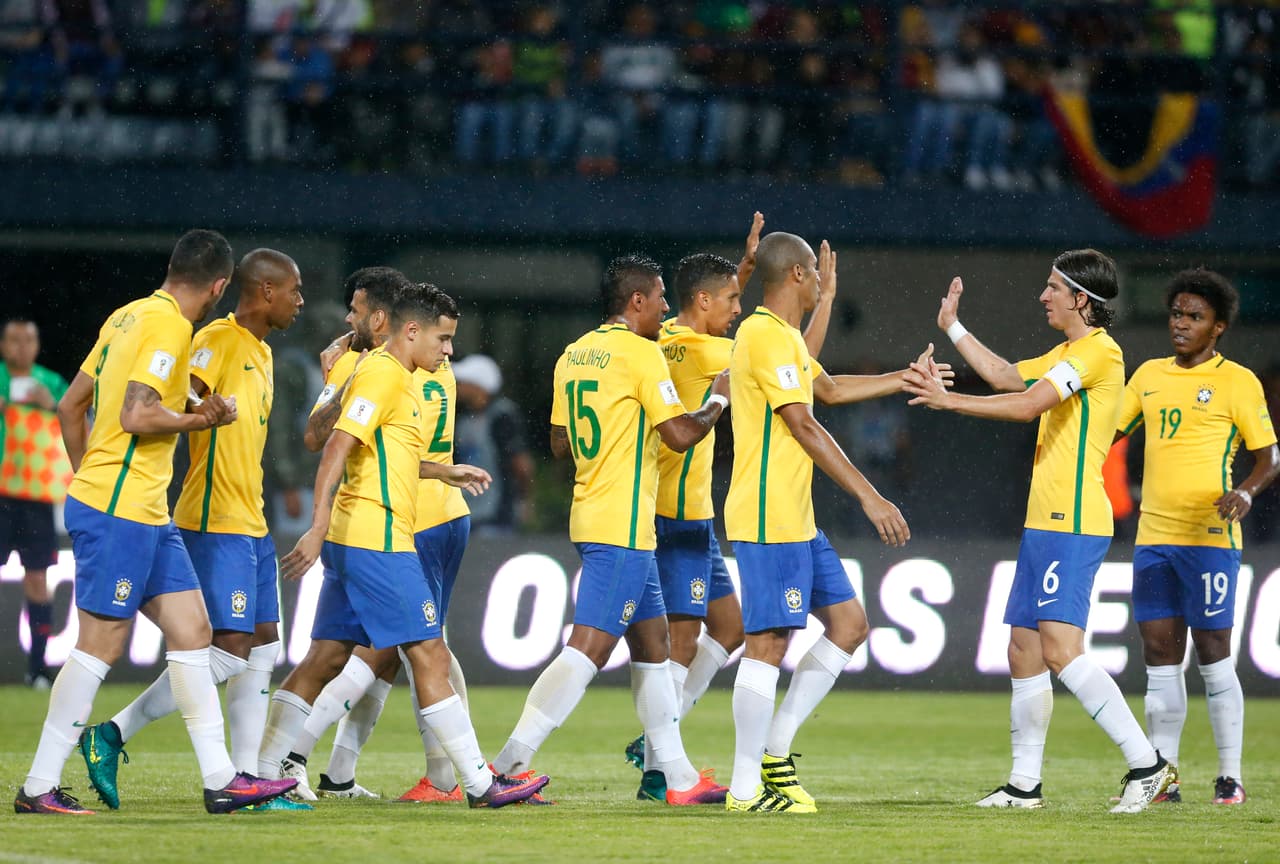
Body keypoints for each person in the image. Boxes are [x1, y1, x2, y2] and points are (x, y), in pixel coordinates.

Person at [14, 230, 297, 815]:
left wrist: (88, 473)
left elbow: (71, 408)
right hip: (121, 510)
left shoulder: (125, 317)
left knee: (194, 632)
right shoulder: (172, 327)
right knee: (102, 644)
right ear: (220, 286)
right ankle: (38, 786)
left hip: (143, 509)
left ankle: (222, 780)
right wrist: (202, 422)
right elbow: (137, 413)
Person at [903, 251, 1174, 814]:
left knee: (1060, 649)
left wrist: (948, 400)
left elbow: (1027, 405)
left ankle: (1148, 767)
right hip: (1044, 522)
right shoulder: (1069, 353)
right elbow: (1006, 374)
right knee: (1023, 648)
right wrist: (952, 326)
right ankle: (1025, 785)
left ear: (1082, 298)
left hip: (1072, 522)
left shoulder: (1100, 352)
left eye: (1054, 287)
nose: (1043, 295)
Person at [271, 282, 546, 809]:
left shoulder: (395, 372)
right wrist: (318, 524)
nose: (449, 353)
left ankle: (269, 772)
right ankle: (474, 783)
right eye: (444, 340)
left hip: (390, 527)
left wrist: (444, 471)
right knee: (423, 650)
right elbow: (328, 445)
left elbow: (380, 451)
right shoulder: (378, 370)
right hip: (380, 535)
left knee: (335, 655)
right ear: (405, 326)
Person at [489, 254, 731, 806]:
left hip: (594, 512)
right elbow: (678, 434)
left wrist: (612, 439)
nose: (668, 307)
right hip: (621, 523)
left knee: (653, 648)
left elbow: (557, 443)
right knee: (590, 648)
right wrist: (716, 397)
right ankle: (506, 766)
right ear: (637, 301)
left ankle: (677, 778)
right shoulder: (642, 356)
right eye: (662, 297)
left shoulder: (573, 354)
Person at [722, 232, 920, 814]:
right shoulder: (762, 334)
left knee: (849, 624)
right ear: (799, 275)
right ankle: (744, 789)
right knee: (767, 643)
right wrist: (870, 496)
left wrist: (904, 378)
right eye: (816, 275)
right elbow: (805, 424)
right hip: (767, 515)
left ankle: (774, 754)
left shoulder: (781, 336)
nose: (820, 281)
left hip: (796, 518)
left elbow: (826, 388)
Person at [1115, 268, 1278, 806]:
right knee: (1160, 654)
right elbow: (1109, 431)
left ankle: (1229, 776)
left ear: (1219, 328)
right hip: (1154, 536)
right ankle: (1166, 775)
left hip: (1210, 536)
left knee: (1213, 653)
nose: (1180, 324)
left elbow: (1269, 457)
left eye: (1194, 317)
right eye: (1177, 314)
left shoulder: (1239, 381)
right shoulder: (1148, 376)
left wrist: (1247, 494)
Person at [0, 318, 70, 689]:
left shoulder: (51, 382)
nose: (21, 347)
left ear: (37, 345)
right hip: (0, 491)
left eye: (28, 339)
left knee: (38, 577)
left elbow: (73, 420)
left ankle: (38, 669)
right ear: (3, 344)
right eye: (14, 340)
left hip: (35, 496)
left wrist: (52, 405)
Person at [451, 353, 534, 534]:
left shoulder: (502, 416)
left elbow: (521, 463)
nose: (459, 386)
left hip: (497, 515)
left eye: (464, 382)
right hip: (467, 512)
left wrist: (522, 500)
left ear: (479, 386)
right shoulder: (464, 419)